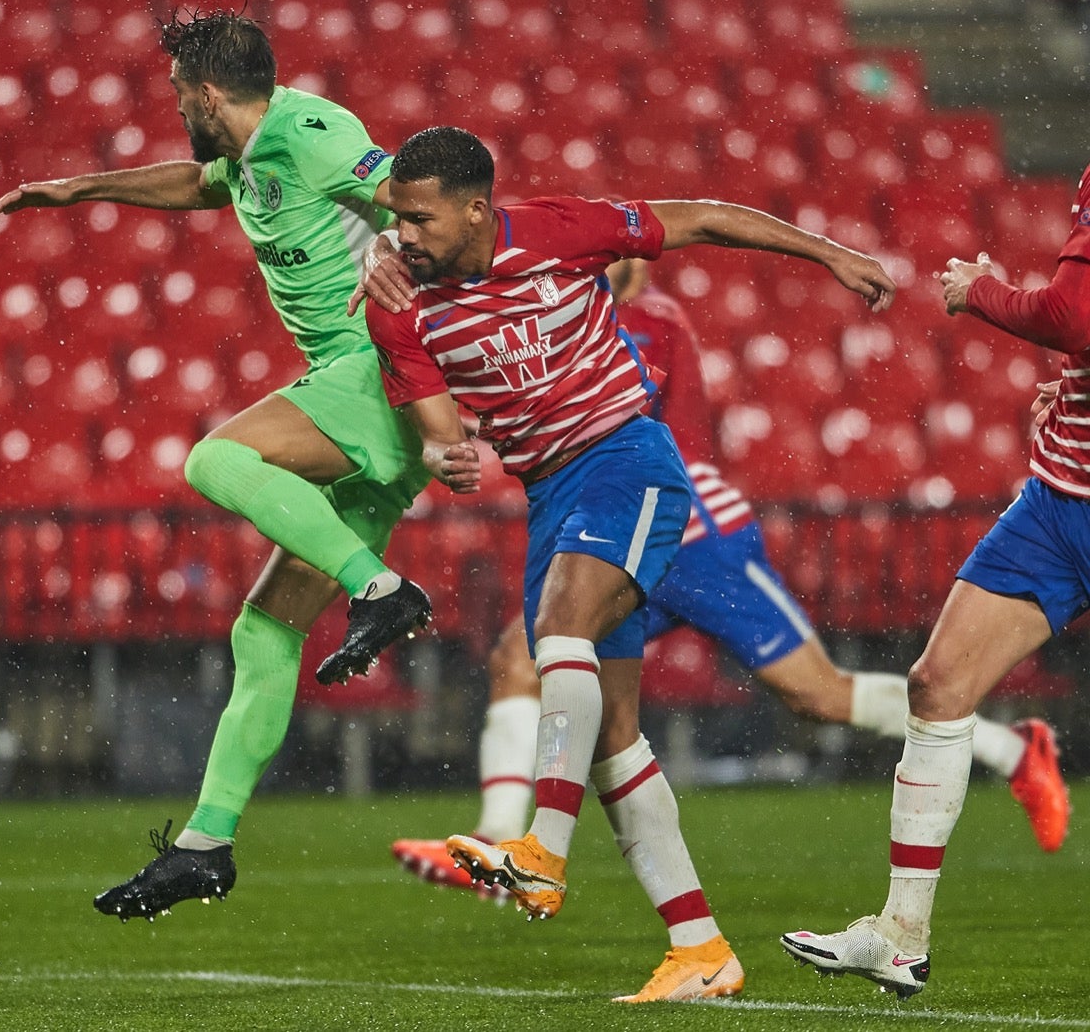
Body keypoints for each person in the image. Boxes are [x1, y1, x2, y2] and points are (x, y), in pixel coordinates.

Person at [359, 125, 895, 1002]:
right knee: (611, 736)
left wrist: (828, 253)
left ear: (475, 210)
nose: (406, 234)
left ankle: (541, 851)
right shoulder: (396, 301)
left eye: (420, 218)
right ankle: (700, 948)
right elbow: (438, 431)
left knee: (557, 637)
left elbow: (707, 219)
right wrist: (445, 457)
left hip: (624, 459)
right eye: (397, 219)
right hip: (547, 498)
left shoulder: (560, 229)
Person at [390, 259, 1069, 898]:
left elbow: (585, 408)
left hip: (696, 534)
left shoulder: (650, 317)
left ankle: (1016, 749)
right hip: (625, 529)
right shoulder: (575, 320)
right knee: (522, 656)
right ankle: (497, 843)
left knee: (817, 694)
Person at [0, 10, 433, 921]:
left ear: (209, 92)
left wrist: (426, 295)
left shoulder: (312, 133)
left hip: (376, 376)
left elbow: (421, 202)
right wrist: (75, 190)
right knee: (263, 636)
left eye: (180, 92)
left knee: (215, 458)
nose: (176, 106)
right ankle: (206, 845)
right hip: (359, 406)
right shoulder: (245, 159)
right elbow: (197, 183)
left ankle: (381, 590)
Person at [781, 164, 1090, 997]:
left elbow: (1073, 313)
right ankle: (901, 934)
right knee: (939, 684)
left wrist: (981, 291)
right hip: (1062, 503)